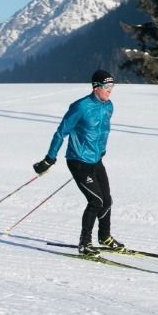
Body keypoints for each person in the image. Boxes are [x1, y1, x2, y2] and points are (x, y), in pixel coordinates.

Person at [34, 69, 123, 255]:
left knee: (107, 201)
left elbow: (102, 132)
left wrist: (101, 151)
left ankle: (104, 237)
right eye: (106, 86)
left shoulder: (109, 106)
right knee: (96, 200)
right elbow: (61, 132)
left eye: (112, 86)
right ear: (96, 87)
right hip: (78, 161)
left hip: (96, 160)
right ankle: (84, 243)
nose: (110, 90)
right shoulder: (80, 107)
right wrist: (49, 159)